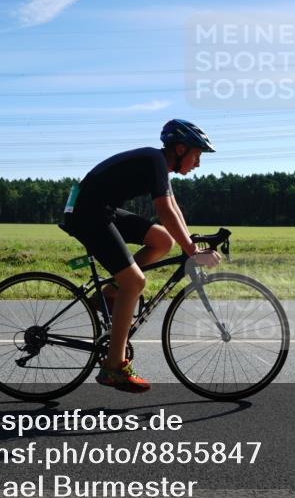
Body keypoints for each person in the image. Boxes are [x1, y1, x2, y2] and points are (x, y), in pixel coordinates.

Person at [62, 119, 221, 392]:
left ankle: (112, 293)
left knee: (162, 240)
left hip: (100, 209)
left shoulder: (158, 164)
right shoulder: (156, 162)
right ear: (181, 149)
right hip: (88, 213)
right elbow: (165, 211)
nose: (198, 163)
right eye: (197, 155)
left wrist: (189, 240)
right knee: (135, 282)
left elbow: (173, 208)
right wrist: (192, 251)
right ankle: (114, 367)